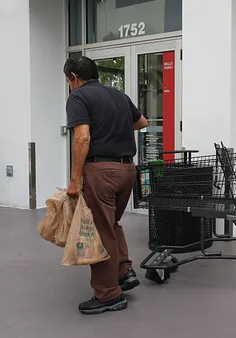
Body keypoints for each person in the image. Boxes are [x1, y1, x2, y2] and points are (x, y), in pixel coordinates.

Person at [63, 56, 149, 315]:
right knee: (110, 224)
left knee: (100, 231)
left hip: (101, 171)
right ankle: (124, 271)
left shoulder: (78, 98)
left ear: (74, 78)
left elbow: (82, 138)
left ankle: (108, 294)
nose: (69, 85)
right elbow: (142, 122)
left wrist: (74, 179)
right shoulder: (118, 95)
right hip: (126, 170)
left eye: (68, 80)